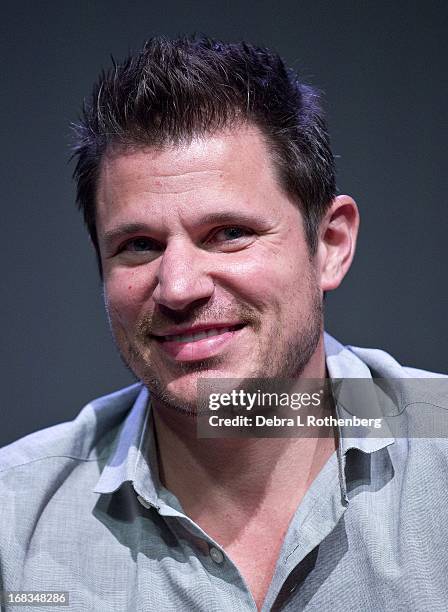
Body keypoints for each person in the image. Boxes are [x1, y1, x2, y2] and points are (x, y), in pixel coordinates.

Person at [0, 35, 447, 612]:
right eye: (138, 245)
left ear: (330, 244)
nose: (179, 286)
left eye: (229, 233)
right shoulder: (15, 526)